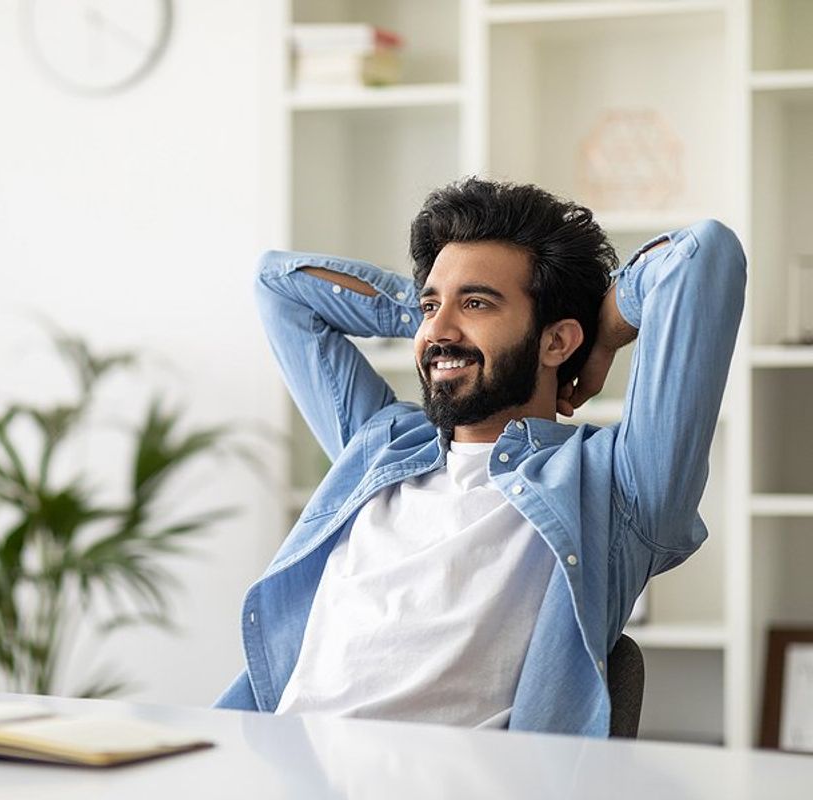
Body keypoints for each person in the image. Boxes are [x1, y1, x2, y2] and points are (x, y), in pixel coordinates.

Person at [214, 177, 746, 736]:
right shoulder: (383, 445)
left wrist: (602, 328)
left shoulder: (615, 486)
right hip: (275, 767)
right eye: (430, 306)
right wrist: (431, 318)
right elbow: (277, 284)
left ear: (556, 342)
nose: (438, 331)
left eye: (476, 303)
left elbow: (702, 255)